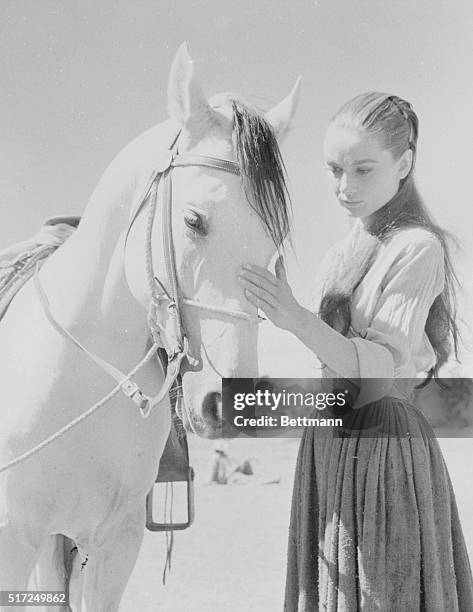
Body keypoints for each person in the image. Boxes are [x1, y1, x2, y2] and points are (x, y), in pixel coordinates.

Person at [238, 92, 473, 610]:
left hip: (386, 444)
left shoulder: (418, 247)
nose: (346, 187)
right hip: (330, 437)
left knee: (380, 590)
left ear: (405, 163)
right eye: (334, 169)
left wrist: (295, 317)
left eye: (364, 169)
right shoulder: (340, 254)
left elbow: (380, 371)